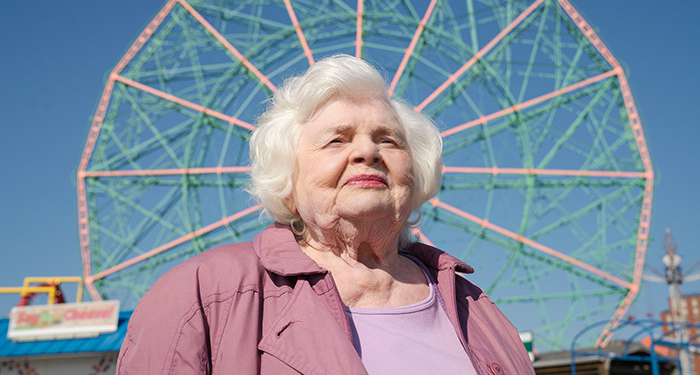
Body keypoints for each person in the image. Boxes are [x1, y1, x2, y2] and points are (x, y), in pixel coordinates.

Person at [117, 55, 535, 374]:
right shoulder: (205, 295)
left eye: (389, 140)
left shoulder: (479, 310)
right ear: (289, 177)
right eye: (337, 140)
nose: (367, 152)